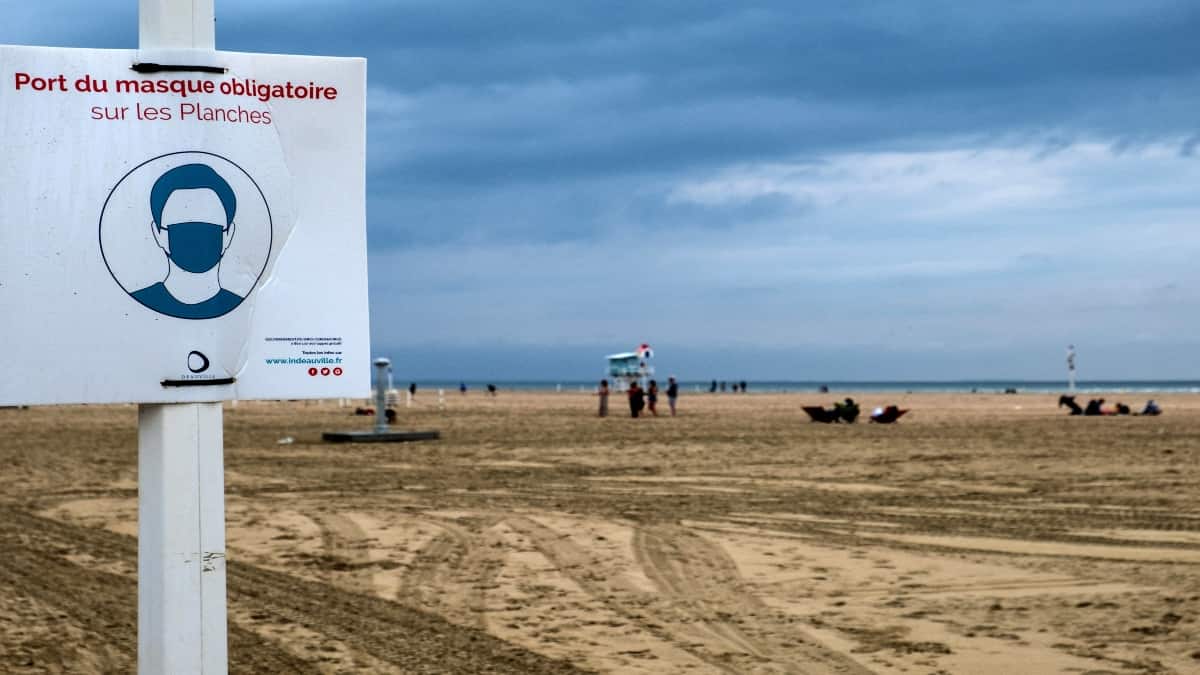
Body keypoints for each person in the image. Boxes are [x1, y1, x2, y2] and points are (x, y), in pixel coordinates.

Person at [132, 163, 244, 319]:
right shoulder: (134, 305)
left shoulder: (245, 309)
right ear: (158, 234)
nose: (196, 242)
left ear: (229, 235)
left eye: (208, 230)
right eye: (182, 230)